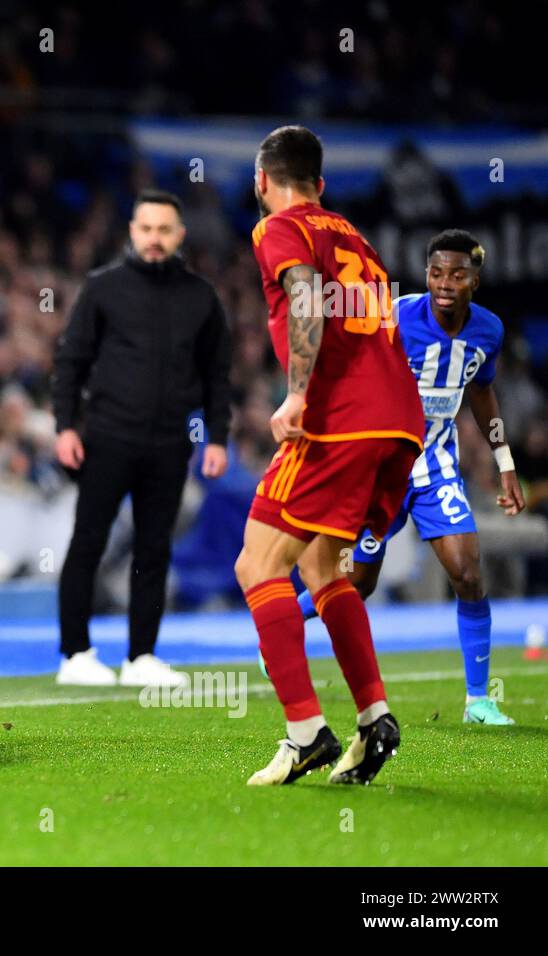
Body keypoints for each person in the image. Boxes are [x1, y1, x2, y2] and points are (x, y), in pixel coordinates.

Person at [235, 125, 425, 786]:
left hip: (339, 419)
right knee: (321, 565)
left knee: (256, 563)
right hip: (399, 422)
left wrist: (296, 395)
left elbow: (305, 297)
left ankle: (305, 732)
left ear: (264, 182)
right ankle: (375, 721)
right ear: (321, 183)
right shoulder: (355, 236)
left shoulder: (279, 228)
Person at [293, 231, 526, 724]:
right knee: (356, 583)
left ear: (475, 281)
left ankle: (478, 702)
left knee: (467, 574)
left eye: (457, 275)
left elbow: (482, 395)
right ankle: (285, 622)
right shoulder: (396, 315)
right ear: (427, 275)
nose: (445, 284)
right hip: (381, 468)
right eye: (437, 273)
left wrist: (504, 462)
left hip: (437, 467)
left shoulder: (489, 331)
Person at [51, 189, 232, 687]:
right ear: (133, 231)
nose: (154, 239)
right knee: (88, 540)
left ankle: (141, 657)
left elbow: (218, 375)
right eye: (146, 228)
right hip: (106, 436)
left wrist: (217, 437)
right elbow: (70, 361)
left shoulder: (201, 297)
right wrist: (65, 426)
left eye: (164, 230)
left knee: (155, 548)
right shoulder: (103, 288)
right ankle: (75, 654)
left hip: (171, 443)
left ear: (180, 235)